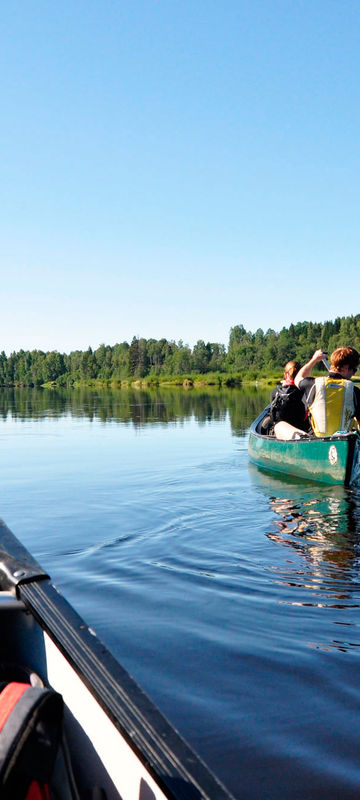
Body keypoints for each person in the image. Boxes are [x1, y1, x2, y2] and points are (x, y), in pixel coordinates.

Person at [294, 346, 360, 437]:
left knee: (279, 425)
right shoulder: (354, 391)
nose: (353, 374)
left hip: (316, 440)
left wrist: (314, 360)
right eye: (354, 370)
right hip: (343, 442)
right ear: (345, 368)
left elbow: (298, 378)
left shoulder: (313, 385)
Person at [261, 361, 311, 439]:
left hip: (279, 429)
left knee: (266, 422)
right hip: (300, 427)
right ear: (301, 375)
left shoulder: (275, 392)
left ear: (285, 375)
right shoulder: (305, 393)